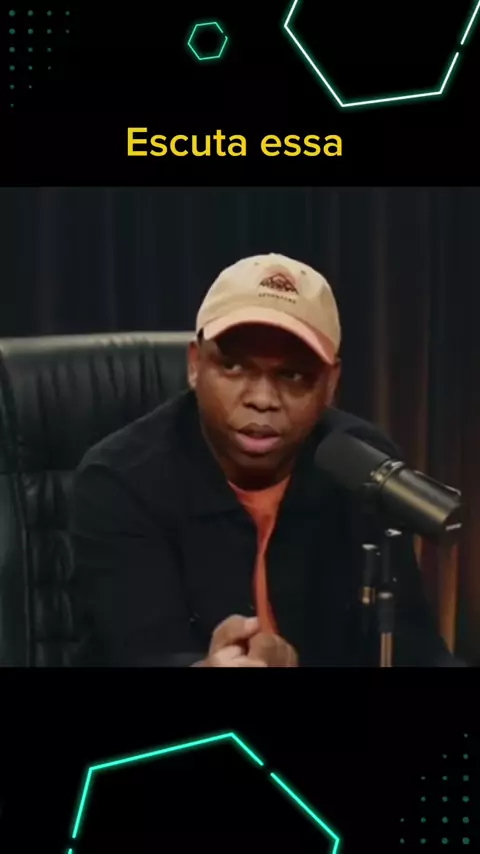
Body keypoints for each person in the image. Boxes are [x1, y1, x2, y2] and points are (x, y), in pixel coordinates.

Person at [70, 252, 457, 667]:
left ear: (331, 384)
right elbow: (140, 653)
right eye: (234, 367)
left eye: (293, 376)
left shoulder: (365, 469)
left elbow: (414, 649)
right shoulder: (120, 478)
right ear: (196, 365)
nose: (261, 399)